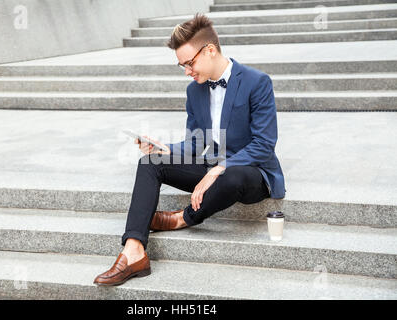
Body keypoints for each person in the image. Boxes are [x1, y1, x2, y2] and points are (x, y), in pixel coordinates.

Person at [93, 13, 286, 286]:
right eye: (181, 65)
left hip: (252, 173)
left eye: (189, 63)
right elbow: (196, 142)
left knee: (231, 175)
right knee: (150, 162)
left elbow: (264, 145)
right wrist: (163, 148)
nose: (186, 70)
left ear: (209, 50)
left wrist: (219, 168)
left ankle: (184, 218)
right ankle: (134, 250)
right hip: (214, 166)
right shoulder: (194, 91)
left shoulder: (257, 82)